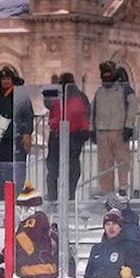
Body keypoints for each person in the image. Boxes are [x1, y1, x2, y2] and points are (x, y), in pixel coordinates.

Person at [91, 61, 138, 198]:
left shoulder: (124, 90)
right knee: (104, 163)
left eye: (108, 73)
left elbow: (133, 107)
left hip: (119, 131)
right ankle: (106, 190)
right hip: (102, 131)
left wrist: (129, 126)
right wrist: (91, 129)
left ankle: (123, 187)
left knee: (122, 161)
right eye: (103, 73)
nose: (106, 76)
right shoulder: (99, 92)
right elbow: (93, 112)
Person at [42, 73, 91, 203]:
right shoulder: (75, 96)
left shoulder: (77, 96)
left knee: (63, 166)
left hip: (71, 134)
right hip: (62, 134)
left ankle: (65, 194)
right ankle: (58, 194)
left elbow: (86, 115)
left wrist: (85, 130)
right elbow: (47, 103)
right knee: (56, 166)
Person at [0, 66, 29, 195]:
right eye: (3, 79)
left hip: (15, 136)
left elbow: (27, 114)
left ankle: (16, 192)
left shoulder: (20, 95)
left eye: (8, 79)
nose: (5, 82)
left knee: (16, 167)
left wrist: (27, 132)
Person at [10, 185, 59, 278]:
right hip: (40, 268)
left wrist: (5, 254)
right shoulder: (39, 219)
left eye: (21, 208)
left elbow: (28, 247)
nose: (20, 211)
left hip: (36, 268)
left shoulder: (34, 221)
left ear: (30, 208)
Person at [84, 207, 140, 278]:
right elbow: (88, 275)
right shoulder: (96, 249)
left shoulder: (129, 248)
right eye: (107, 224)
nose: (111, 227)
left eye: (114, 223)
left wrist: (131, 276)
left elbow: (138, 274)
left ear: (120, 227)